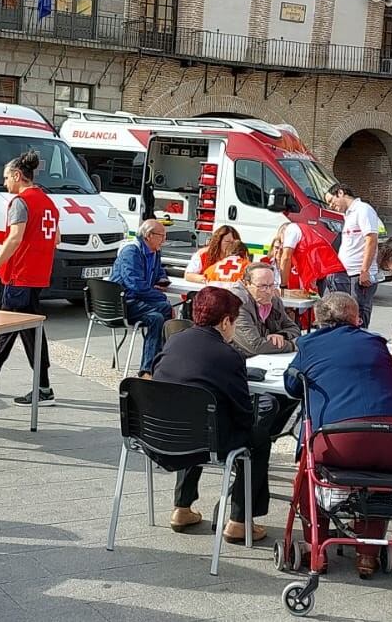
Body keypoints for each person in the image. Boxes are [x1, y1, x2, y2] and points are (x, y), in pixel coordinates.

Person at [284, 292, 392, 578]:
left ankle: (316, 549)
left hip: (341, 440)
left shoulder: (309, 344)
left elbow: (292, 386)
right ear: (357, 318)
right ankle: (368, 556)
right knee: (379, 477)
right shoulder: (377, 344)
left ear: (318, 319)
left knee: (308, 469)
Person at [149, 286, 274, 543]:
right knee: (259, 438)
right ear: (226, 321)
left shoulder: (174, 341)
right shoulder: (228, 356)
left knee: (192, 418)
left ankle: (182, 508)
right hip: (203, 439)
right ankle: (239, 520)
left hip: (158, 435)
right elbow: (243, 414)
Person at [0, 150, 59, 407]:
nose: (5, 182)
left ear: (18, 176)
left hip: (20, 275)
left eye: (7, 177)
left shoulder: (22, 202)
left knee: (22, 330)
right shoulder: (48, 203)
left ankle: (42, 388)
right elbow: (56, 238)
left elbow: (15, 238)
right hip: (38, 274)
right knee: (14, 328)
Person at [109, 220, 175, 374]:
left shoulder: (155, 251)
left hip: (138, 301)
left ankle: (148, 369)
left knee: (157, 318)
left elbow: (159, 271)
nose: (164, 240)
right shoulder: (131, 252)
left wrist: (162, 280)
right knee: (165, 308)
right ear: (148, 235)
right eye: (162, 236)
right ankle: (158, 364)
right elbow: (135, 285)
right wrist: (160, 297)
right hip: (123, 304)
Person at [326, 183, 383, 327]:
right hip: (347, 273)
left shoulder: (363, 210)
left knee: (358, 315)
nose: (331, 206)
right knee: (343, 315)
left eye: (331, 201)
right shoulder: (349, 215)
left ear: (340, 193)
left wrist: (365, 270)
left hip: (358, 275)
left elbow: (371, 239)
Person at [231, 262, 299, 358]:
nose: (268, 291)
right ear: (246, 283)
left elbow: (294, 328)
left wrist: (281, 336)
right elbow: (255, 346)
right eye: (262, 286)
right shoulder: (237, 303)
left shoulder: (274, 300)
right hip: (238, 361)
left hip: (263, 359)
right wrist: (292, 345)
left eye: (271, 285)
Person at [272, 220, 349, 296]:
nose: (283, 246)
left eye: (283, 242)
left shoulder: (291, 229)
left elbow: (286, 258)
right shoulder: (306, 235)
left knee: (332, 307)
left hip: (331, 278)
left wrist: (283, 286)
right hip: (331, 277)